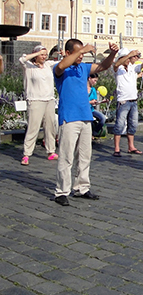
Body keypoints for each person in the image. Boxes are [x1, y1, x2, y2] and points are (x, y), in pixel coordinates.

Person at [53, 39, 119, 206]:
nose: (81, 56)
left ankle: (81, 187)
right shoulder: (61, 68)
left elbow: (103, 67)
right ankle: (61, 191)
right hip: (69, 117)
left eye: (83, 54)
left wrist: (112, 54)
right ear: (68, 53)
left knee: (84, 155)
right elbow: (61, 67)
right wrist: (81, 50)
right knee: (67, 156)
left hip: (85, 116)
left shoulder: (83, 68)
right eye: (78, 53)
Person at [19, 45, 58, 165]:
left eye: (45, 54)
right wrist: (36, 54)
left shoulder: (47, 65)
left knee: (50, 127)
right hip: (35, 100)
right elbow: (22, 59)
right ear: (36, 55)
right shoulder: (29, 67)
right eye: (42, 54)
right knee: (33, 128)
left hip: (49, 100)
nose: (44, 56)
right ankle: (26, 154)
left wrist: (64, 54)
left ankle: (51, 151)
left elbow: (62, 62)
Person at [112, 49, 143, 157]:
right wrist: (129, 55)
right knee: (119, 125)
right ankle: (117, 148)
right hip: (123, 101)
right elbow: (116, 65)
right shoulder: (118, 68)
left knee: (133, 125)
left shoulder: (132, 67)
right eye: (126, 57)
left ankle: (131, 146)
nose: (129, 59)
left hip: (133, 100)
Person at [87, 73, 106, 137]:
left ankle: (95, 133)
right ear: (89, 78)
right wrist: (89, 102)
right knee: (90, 121)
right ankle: (89, 135)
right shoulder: (82, 89)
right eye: (94, 80)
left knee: (102, 118)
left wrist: (101, 102)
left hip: (91, 109)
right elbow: (80, 101)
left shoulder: (93, 90)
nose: (95, 82)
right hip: (85, 110)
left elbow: (94, 102)